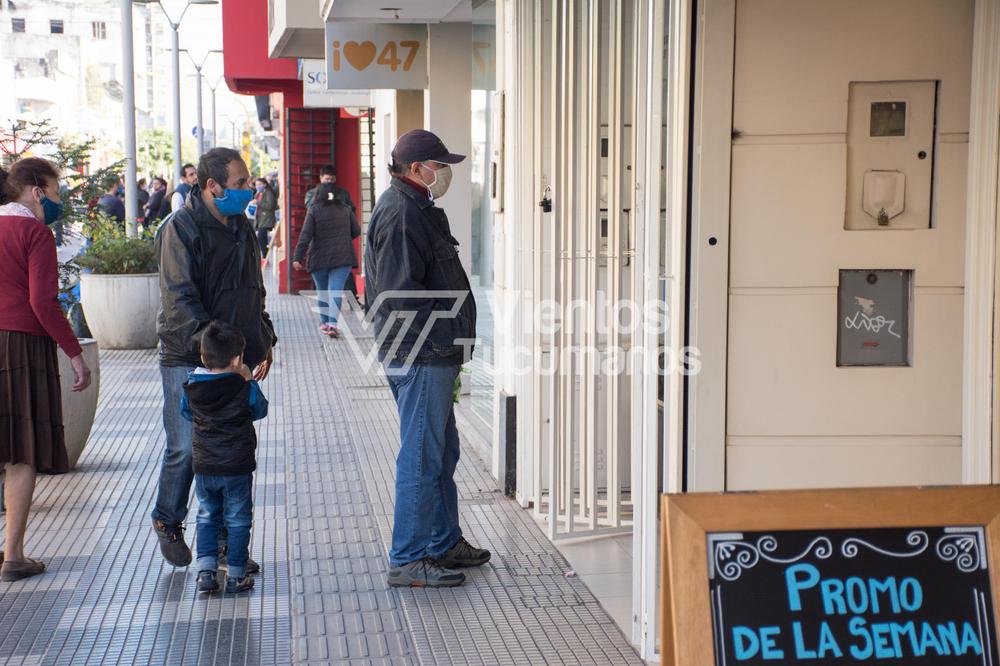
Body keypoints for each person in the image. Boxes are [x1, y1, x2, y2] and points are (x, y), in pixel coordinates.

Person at [364, 129, 485, 588]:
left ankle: (442, 541)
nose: (444, 172)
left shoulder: (416, 208)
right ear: (416, 169)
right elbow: (400, 296)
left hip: (430, 352)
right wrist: (439, 343)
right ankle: (409, 558)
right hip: (420, 353)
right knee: (421, 455)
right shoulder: (400, 213)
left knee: (439, 449)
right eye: (439, 164)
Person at [152, 147, 276, 570]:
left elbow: (252, 290)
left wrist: (263, 339)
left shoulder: (242, 226)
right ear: (212, 186)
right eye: (241, 183)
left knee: (226, 450)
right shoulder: (180, 228)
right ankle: (167, 519)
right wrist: (215, 356)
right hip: (189, 353)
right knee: (187, 448)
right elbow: (179, 299)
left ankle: (222, 546)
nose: (249, 188)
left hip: (232, 356)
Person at [0, 158, 92, 581]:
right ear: (36, 191)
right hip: (21, 344)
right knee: (20, 453)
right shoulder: (33, 232)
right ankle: (13, 554)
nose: (58, 200)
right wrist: (74, 353)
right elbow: (42, 302)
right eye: (56, 192)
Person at [183, 321, 267, 594]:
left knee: (207, 515)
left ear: (204, 358)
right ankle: (237, 575)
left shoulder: (192, 387)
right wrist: (249, 379)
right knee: (238, 519)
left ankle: (206, 573)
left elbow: (186, 413)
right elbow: (259, 410)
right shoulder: (243, 388)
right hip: (236, 466)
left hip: (205, 466)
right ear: (237, 359)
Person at [293, 182, 360, 338]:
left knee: (322, 292)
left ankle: (324, 323)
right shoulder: (346, 209)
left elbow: (305, 235)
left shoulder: (314, 211)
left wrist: (297, 257)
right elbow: (356, 231)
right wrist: (342, 237)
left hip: (319, 258)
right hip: (343, 257)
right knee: (335, 292)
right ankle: (332, 324)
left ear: (318, 195)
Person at [253, 178, 277, 258]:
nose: (258, 186)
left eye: (260, 184)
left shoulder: (268, 193)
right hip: (259, 219)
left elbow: (270, 206)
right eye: (256, 185)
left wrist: (258, 202)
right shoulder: (258, 193)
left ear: (265, 184)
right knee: (261, 238)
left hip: (266, 219)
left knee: (261, 237)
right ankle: (265, 255)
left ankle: (265, 256)